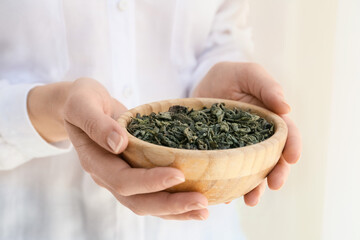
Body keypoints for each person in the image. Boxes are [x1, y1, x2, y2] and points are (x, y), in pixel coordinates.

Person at [0, 0, 301, 239]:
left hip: (200, 224)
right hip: (41, 222)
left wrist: (220, 72)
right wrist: (50, 108)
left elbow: (222, 30)